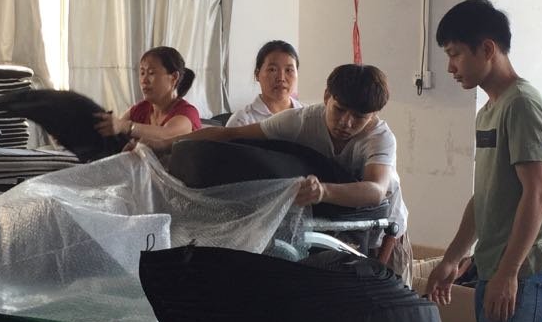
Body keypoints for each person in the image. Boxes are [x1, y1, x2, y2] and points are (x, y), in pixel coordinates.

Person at [160, 63, 410, 276]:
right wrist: (163, 145)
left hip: (386, 227)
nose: (346, 122)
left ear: (374, 114)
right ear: (327, 97)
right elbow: (229, 134)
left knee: (388, 293)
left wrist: (323, 191)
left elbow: (375, 190)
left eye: (359, 117)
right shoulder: (301, 121)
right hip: (336, 220)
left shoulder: (380, 138)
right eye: (340, 110)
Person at [424, 0, 542, 322]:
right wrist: (452, 259)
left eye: (455, 54)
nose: (450, 67)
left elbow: (537, 193)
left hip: (524, 273)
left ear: (487, 49)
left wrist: (509, 272)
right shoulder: (488, 111)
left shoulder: (522, 104)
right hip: (495, 268)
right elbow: (484, 195)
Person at [95, 46, 203, 144]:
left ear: (174, 77)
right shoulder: (139, 109)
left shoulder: (187, 112)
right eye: (142, 73)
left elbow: (167, 135)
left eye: (151, 73)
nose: (144, 80)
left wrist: (126, 127)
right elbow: (117, 129)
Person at [227, 40, 301, 126]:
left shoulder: (309, 117)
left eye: (288, 70)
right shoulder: (241, 121)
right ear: (257, 74)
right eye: (272, 70)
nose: (281, 78)